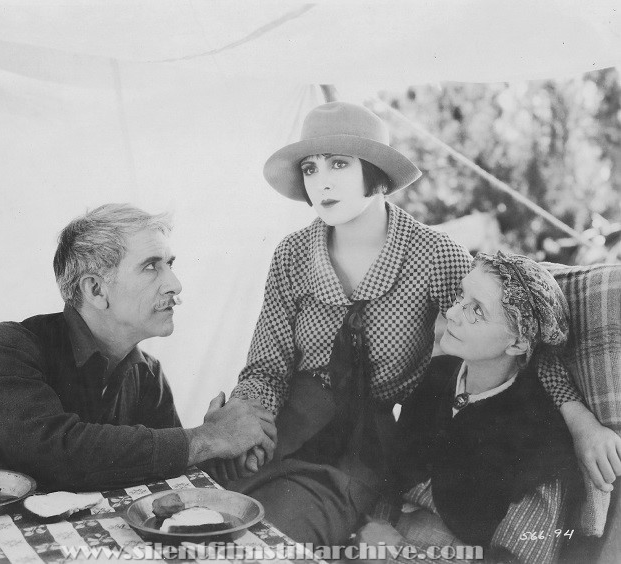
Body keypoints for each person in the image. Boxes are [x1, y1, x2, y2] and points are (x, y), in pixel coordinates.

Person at [220, 102, 618, 546]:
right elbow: (265, 366)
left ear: (375, 171)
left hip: (363, 446)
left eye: (339, 164)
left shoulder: (433, 255)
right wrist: (246, 423)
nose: (322, 181)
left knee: (268, 539)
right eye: (310, 169)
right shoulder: (291, 255)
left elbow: (508, 333)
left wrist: (579, 417)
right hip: (286, 425)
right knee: (204, 521)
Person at [0, 204, 276, 491]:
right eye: (151, 267)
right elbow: (59, 455)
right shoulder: (2, 349)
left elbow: (160, 470)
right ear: (95, 290)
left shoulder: (147, 373)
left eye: (170, 265)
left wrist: (226, 452)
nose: (175, 284)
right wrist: (209, 439)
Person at [355, 252, 581, 564]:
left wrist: (399, 554)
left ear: (516, 344)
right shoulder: (436, 374)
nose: (451, 312)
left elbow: (516, 559)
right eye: (462, 296)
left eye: (477, 311)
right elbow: (389, 479)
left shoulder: (539, 434)